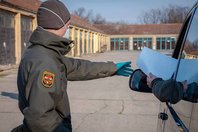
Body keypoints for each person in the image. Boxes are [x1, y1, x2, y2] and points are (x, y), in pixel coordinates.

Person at [12, 0, 132, 132]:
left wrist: (112, 68)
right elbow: (40, 117)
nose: (68, 29)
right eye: (68, 25)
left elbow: (77, 67)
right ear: (59, 24)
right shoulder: (45, 62)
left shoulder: (43, 51)